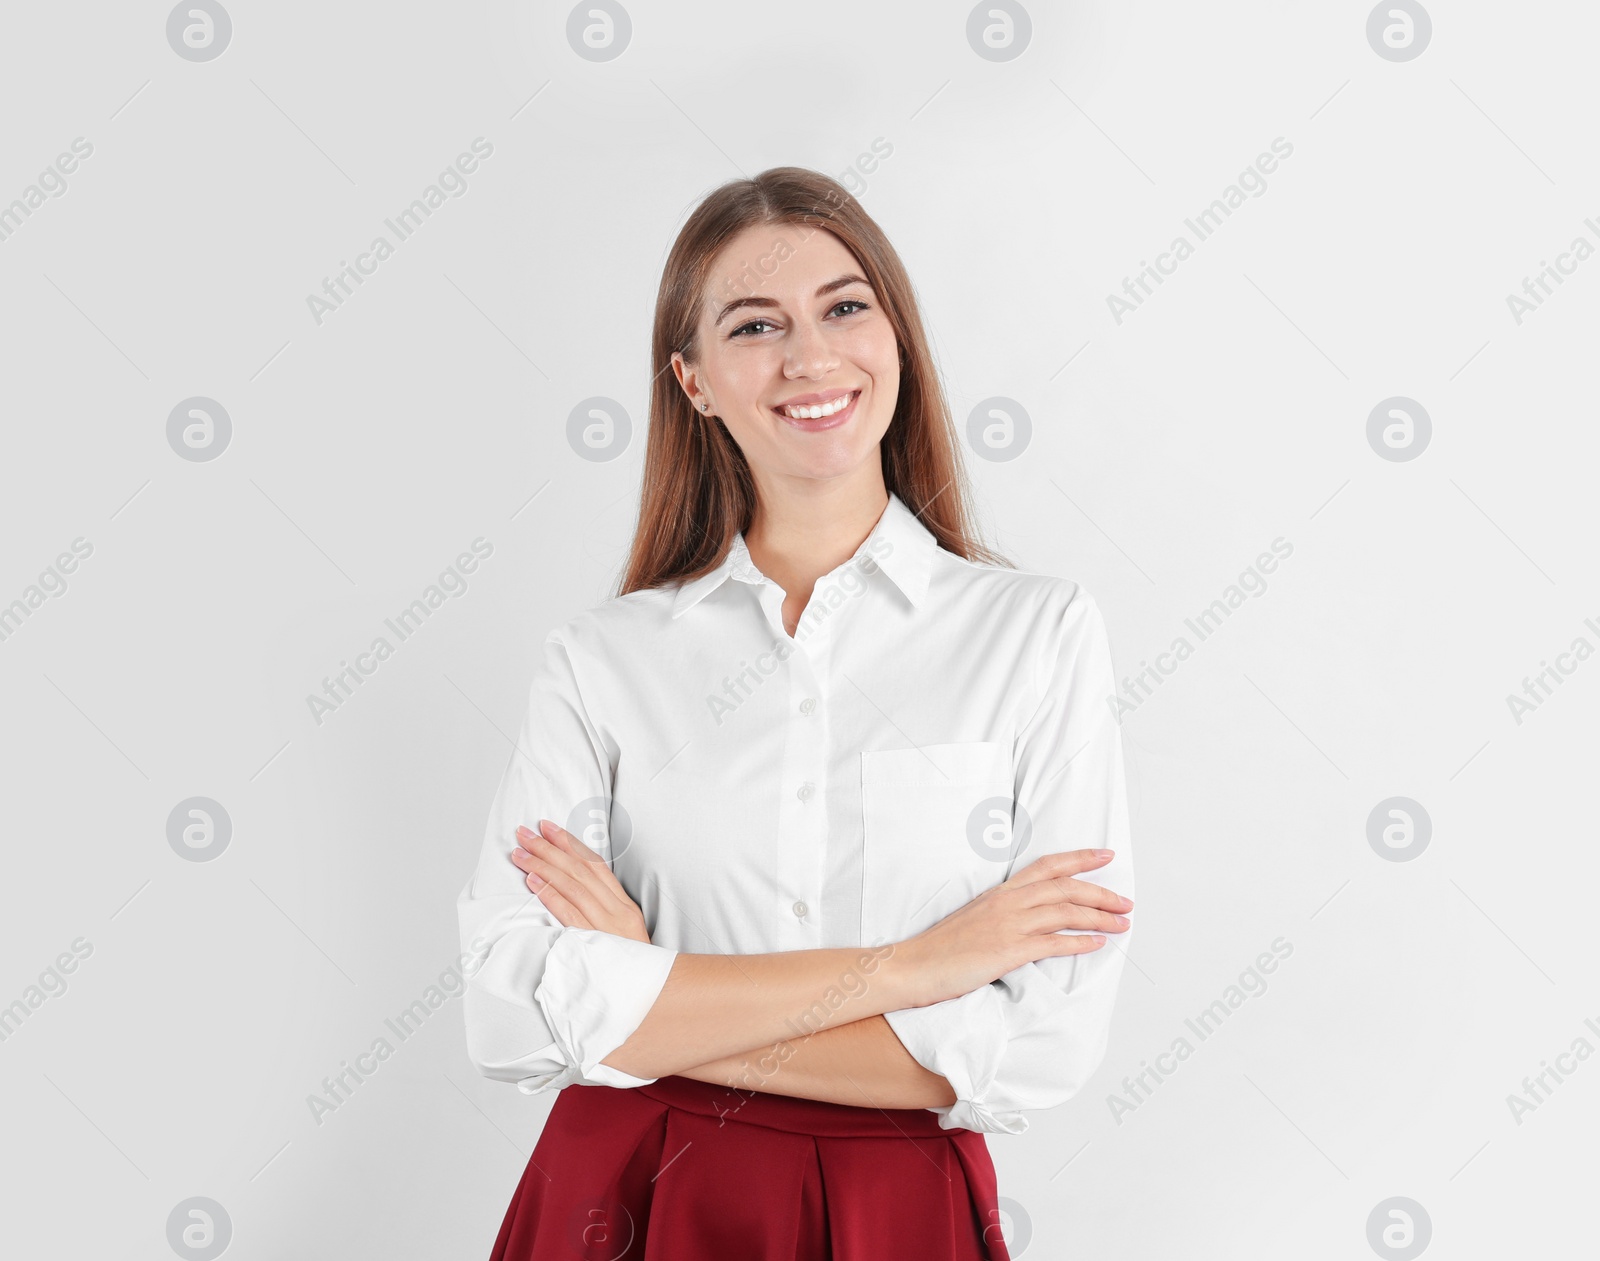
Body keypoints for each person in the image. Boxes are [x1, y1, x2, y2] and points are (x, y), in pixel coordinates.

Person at [456, 166, 1135, 1261]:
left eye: (845, 307)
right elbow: (513, 1010)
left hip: (893, 1209)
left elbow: (1040, 1043)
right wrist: (916, 969)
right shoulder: (601, 662)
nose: (810, 356)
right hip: (628, 1192)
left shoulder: (1037, 634)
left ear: (897, 338)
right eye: (755, 324)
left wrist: (650, 998)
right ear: (693, 381)